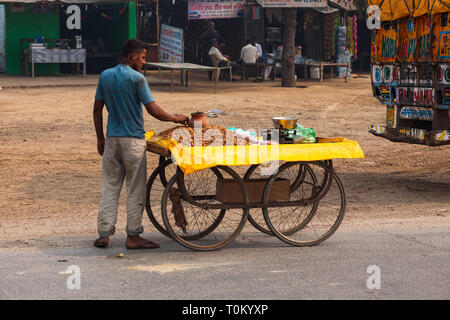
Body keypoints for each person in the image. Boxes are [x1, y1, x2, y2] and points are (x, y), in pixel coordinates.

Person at [93, 39, 189, 249]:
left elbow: (97, 109)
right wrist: (175, 118)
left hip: (112, 140)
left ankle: (103, 234)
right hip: (133, 141)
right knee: (135, 189)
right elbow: (152, 109)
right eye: (143, 58)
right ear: (133, 56)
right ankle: (133, 236)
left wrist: (100, 138)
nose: (144, 62)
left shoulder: (105, 75)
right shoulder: (137, 79)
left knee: (110, 186)